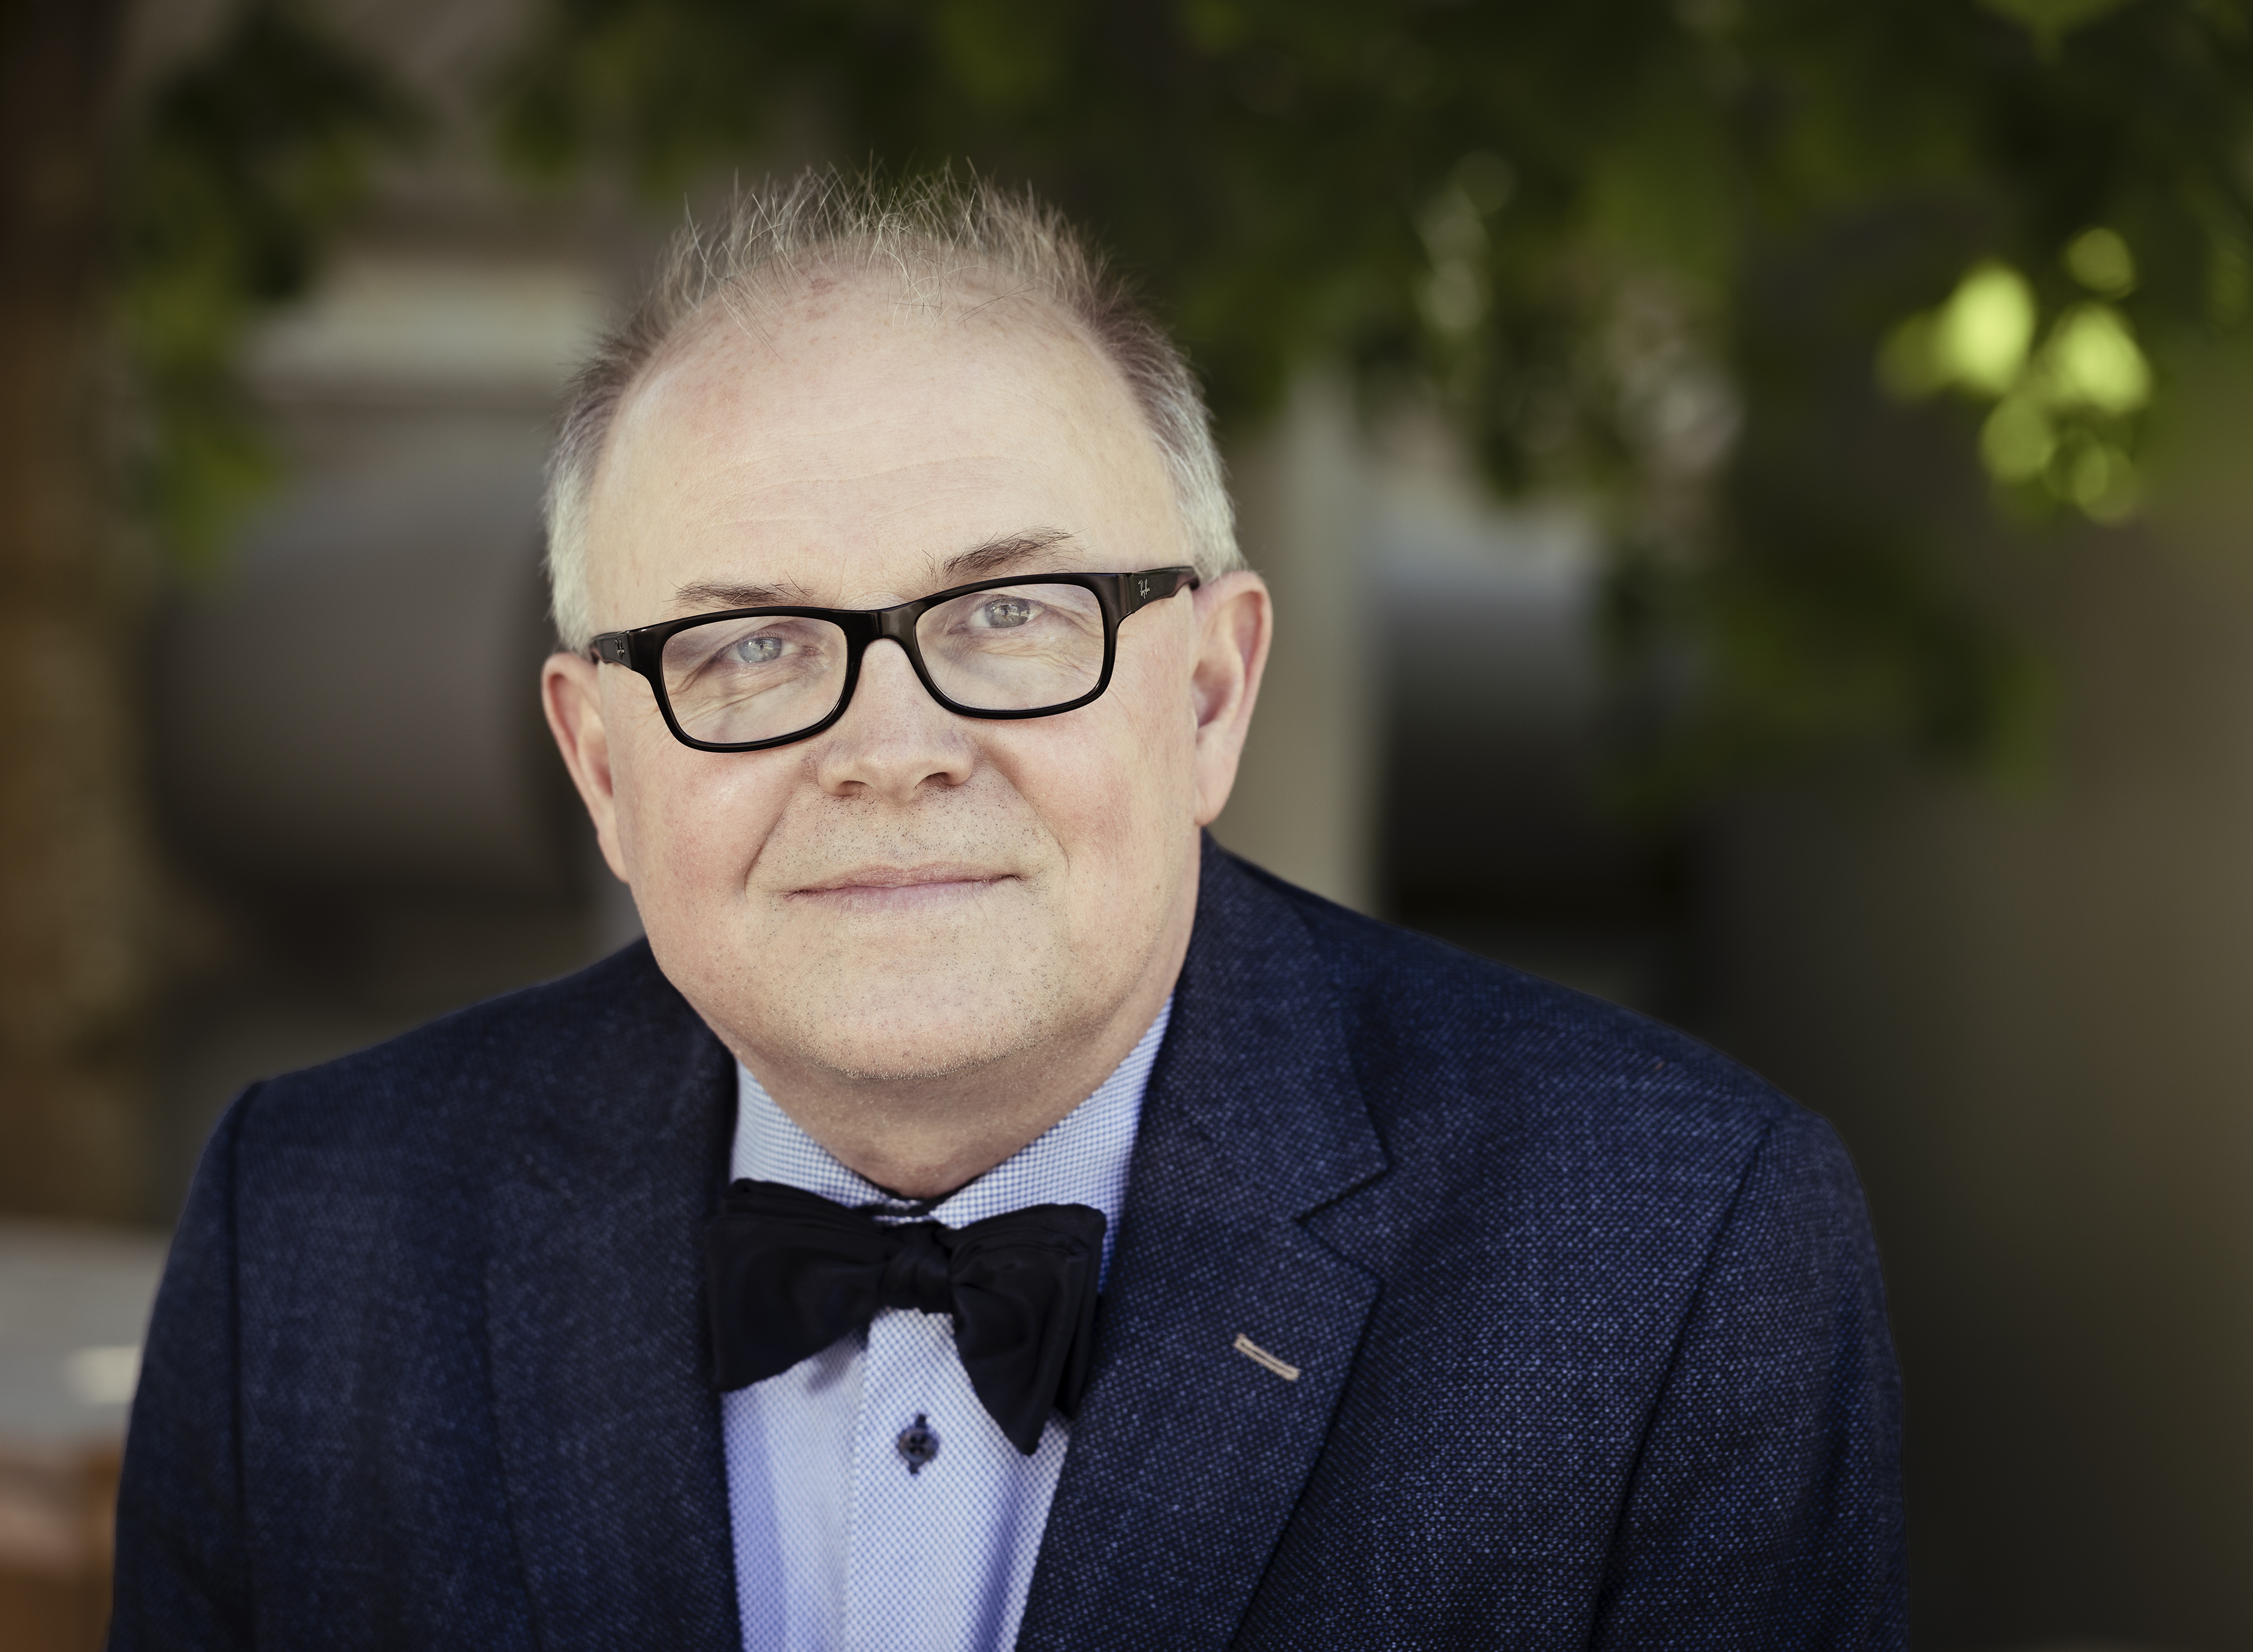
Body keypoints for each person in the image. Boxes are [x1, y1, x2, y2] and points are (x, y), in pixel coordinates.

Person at [110, 171, 1904, 1651]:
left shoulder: (1671, 1254)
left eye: (1011, 617)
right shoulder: (311, 1233)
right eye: (748, 645)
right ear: (601, 766)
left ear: (1211, 694)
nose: (891, 753)